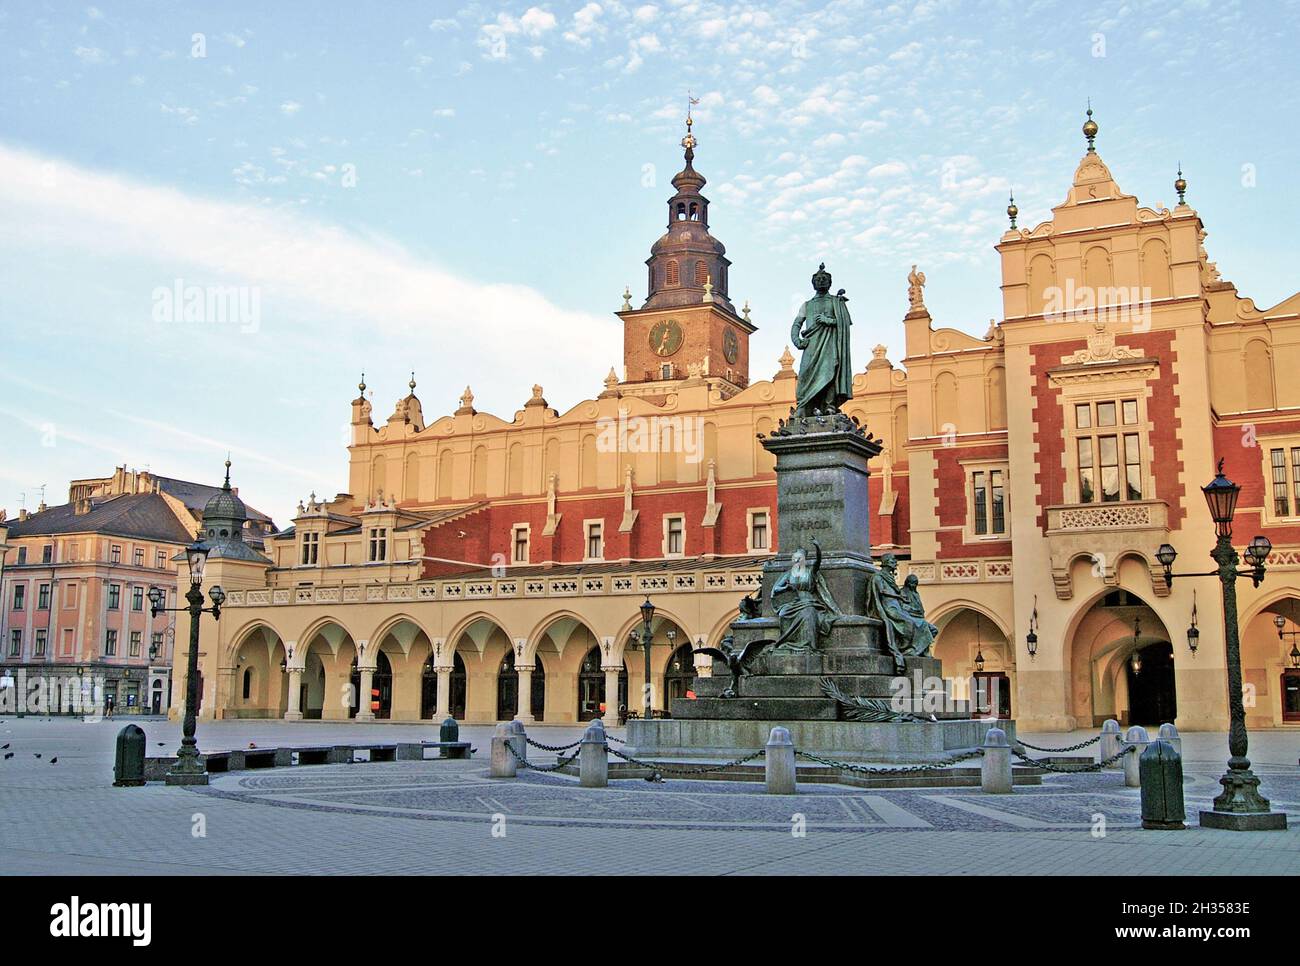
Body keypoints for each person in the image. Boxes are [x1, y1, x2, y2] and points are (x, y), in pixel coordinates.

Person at [865, 554, 938, 670]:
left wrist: (900, 599)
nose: (895, 562)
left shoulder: (890, 577)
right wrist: (899, 597)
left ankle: (914, 650)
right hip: (889, 608)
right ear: (886, 562)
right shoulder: (877, 577)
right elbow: (882, 591)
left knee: (924, 624)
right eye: (893, 560)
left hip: (897, 606)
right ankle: (906, 648)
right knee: (910, 622)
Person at [771, 541, 841, 651]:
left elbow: (818, 561)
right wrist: (786, 588)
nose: (798, 560)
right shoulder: (789, 574)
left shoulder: (810, 571)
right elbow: (776, 589)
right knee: (783, 613)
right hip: (794, 603)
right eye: (796, 557)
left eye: (800, 557)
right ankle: (788, 642)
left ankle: (807, 645)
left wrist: (817, 547)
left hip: (809, 602)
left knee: (809, 614)